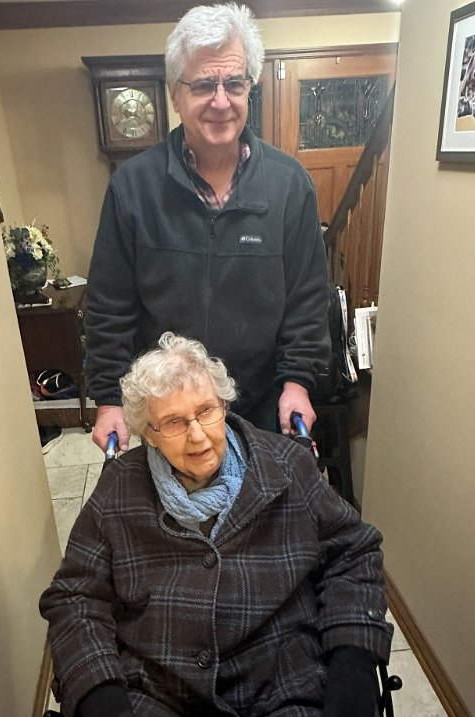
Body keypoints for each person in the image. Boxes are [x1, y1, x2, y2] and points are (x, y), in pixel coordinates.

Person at [40, 332, 393, 717]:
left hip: (282, 684)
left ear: (223, 405)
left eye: (206, 410)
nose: (198, 434)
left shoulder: (287, 465)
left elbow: (354, 551)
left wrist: (353, 653)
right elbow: (74, 597)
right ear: (148, 434)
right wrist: (99, 693)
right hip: (163, 693)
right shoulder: (118, 492)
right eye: (174, 422)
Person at [85, 2, 331, 453]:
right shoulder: (131, 188)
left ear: (249, 88)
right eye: (202, 85)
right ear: (174, 94)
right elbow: (109, 307)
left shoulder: (290, 185)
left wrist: (297, 382)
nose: (221, 101)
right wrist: (108, 400)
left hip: (261, 409)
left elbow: (307, 301)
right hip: (170, 416)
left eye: (234, 83)